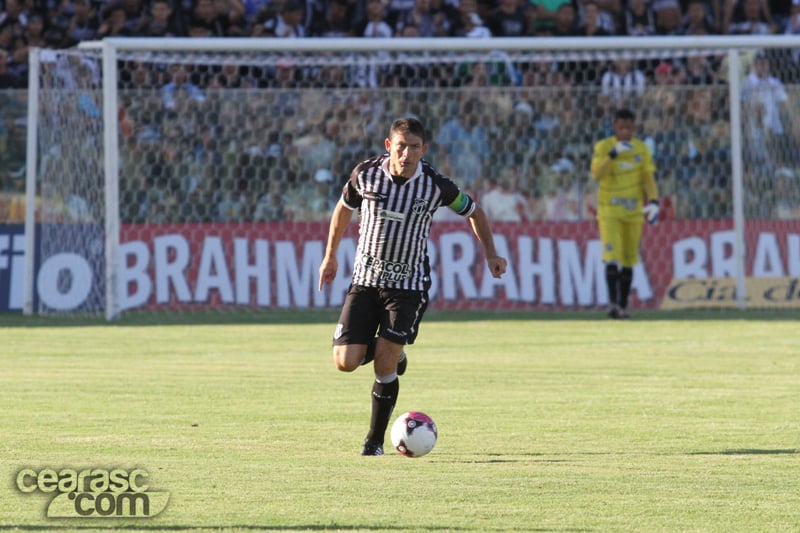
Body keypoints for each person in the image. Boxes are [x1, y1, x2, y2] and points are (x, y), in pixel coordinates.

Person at [318, 117, 508, 455]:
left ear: (424, 150)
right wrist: (330, 256)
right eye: (401, 146)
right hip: (364, 280)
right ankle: (396, 346)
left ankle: (373, 443)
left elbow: (475, 212)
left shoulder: (435, 185)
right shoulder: (365, 174)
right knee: (345, 362)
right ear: (389, 146)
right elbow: (343, 209)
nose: (407, 154)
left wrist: (491, 253)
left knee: (384, 363)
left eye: (414, 148)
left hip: (407, 286)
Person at [590, 108, 659, 319]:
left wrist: (654, 200)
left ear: (634, 127)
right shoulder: (604, 147)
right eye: (621, 127)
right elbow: (596, 174)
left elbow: (648, 177)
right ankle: (612, 305)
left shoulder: (642, 149)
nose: (626, 131)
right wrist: (613, 155)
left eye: (629, 127)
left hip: (633, 212)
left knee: (629, 258)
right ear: (615, 127)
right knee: (612, 256)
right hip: (609, 211)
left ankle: (622, 306)